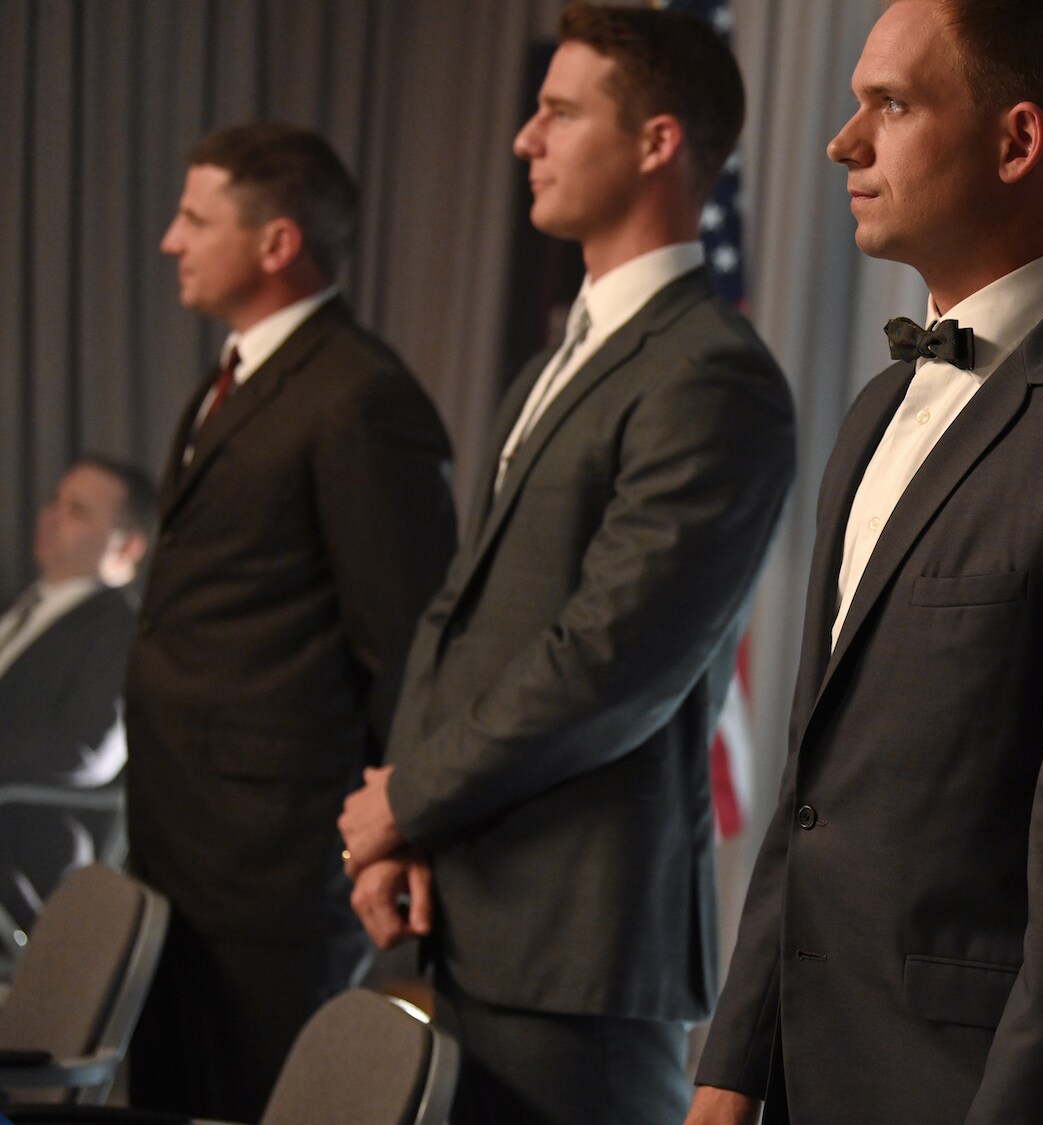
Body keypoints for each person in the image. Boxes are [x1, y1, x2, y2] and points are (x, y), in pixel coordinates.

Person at [687, 1, 1043, 1122]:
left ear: (1016, 142)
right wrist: (727, 1071)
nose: (841, 142)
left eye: (891, 105)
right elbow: (813, 799)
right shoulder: (871, 415)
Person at [336, 6, 795, 1122]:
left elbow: (611, 662)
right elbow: (460, 617)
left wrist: (407, 802)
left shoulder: (710, 375)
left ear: (655, 142)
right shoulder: (560, 358)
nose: (522, 139)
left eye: (556, 111)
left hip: (581, 950)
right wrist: (411, 822)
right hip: (475, 908)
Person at [125, 123, 458, 1121]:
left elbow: (406, 646)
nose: (168, 241)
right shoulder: (231, 378)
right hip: (178, 838)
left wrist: (392, 830)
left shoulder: (361, 398)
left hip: (271, 868)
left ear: (277, 243)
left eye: (194, 218)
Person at [0, 457, 154, 952]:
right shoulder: (16, 607)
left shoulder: (120, 628)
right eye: (54, 502)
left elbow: (85, 752)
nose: (51, 516)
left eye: (77, 511)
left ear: (129, 545)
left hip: (6, 840)